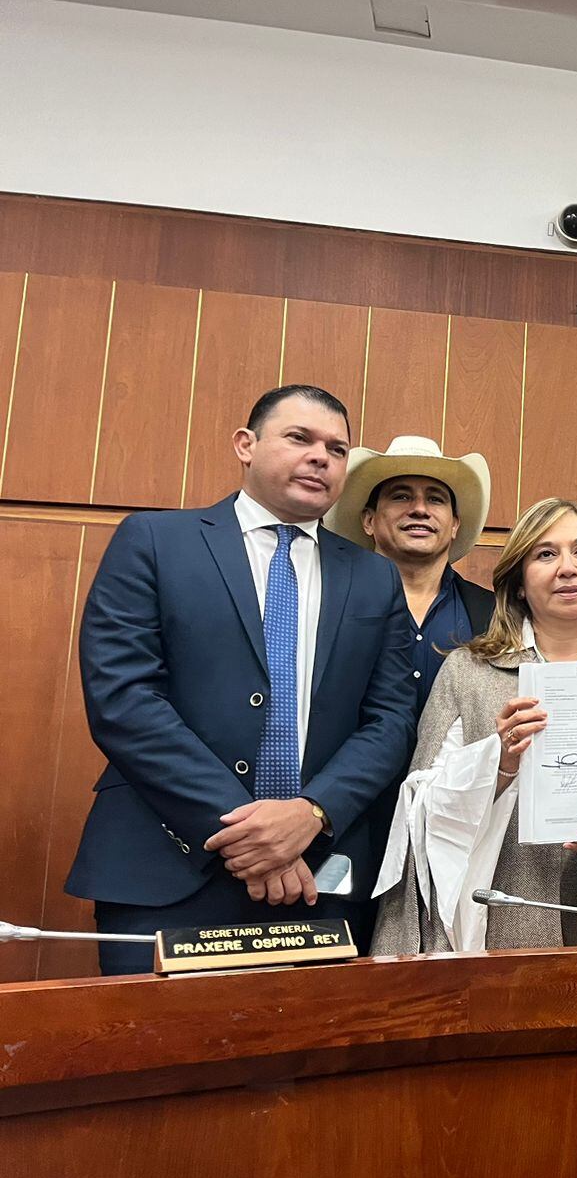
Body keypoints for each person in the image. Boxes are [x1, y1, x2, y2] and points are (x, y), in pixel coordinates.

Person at [68, 385, 415, 973]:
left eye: (337, 448)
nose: (320, 457)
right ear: (245, 445)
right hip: (168, 867)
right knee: (158, 1060)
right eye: (299, 438)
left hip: (319, 878)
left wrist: (309, 815)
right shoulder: (154, 542)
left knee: (305, 1066)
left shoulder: (375, 577)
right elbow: (123, 700)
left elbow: (391, 720)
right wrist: (253, 835)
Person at [370, 498, 577, 952]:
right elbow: (419, 807)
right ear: (517, 584)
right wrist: (498, 763)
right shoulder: (468, 671)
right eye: (546, 554)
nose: (567, 569)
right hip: (494, 914)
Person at [323, 435, 496, 717]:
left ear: (454, 525)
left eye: (435, 499)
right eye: (401, 496)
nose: (419, 509)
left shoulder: (494, 613)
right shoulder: (326, 602)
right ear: (369, 520)